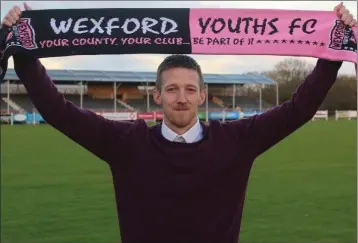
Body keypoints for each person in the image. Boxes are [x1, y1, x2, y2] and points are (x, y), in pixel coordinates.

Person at [1, 2, 356, 243]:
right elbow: (58, 111)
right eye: (171, 89)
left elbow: (298, 109)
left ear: (203, 95)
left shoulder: (238, 139)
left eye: (189, 89)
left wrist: (332, 55)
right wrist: (25, 51)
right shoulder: (125, 142)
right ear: (157, 96)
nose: (181, 97)